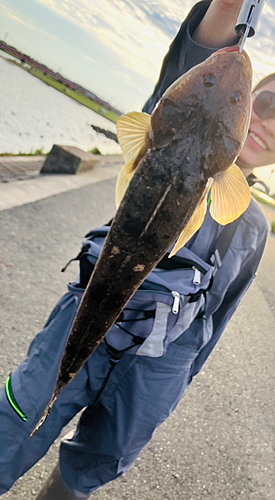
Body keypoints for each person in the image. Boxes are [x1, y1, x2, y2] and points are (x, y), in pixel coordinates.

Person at [0, 1, 274, 498]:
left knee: (99, 459)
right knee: (16, 422)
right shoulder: (162, 123)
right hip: (88, 312)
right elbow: (203, 52)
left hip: (157, 367)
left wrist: (181, 378)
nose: (270, 124)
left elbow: (221, 314)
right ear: (250, 103)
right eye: (268, 104)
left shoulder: (252, 223)